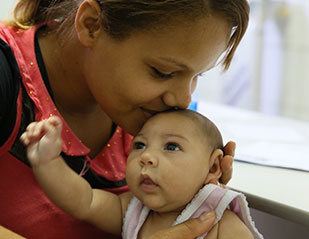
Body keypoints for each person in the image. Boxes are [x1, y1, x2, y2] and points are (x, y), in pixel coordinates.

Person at [0, 0, 250, 238]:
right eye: (163, 72)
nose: (183, 100)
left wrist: (190, 193)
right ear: (91, 25)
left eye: (198, 76)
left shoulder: (150, 117)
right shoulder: (6, 75)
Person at [20, 109, 263, 239]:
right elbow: (83, 201)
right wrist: (48, 160)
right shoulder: (133, 210)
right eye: (140, 145)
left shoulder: (218, 219)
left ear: (213, 168)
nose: (146, 156)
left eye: (171, 147)